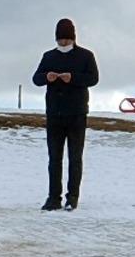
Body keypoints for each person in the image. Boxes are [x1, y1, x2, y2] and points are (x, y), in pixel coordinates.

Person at [31, 18, 100, 211]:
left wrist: (74, 78)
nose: (63, 43)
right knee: (54, 158)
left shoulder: (86, 56)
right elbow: (36, 79)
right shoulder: (48, 56)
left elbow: (93, 78)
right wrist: (47, 77)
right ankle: (53, 198)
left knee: (75, 157)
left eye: (67, 40)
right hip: (54, 113)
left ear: (73, 38)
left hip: (77, 113)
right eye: (60, 40)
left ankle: (73, 197)